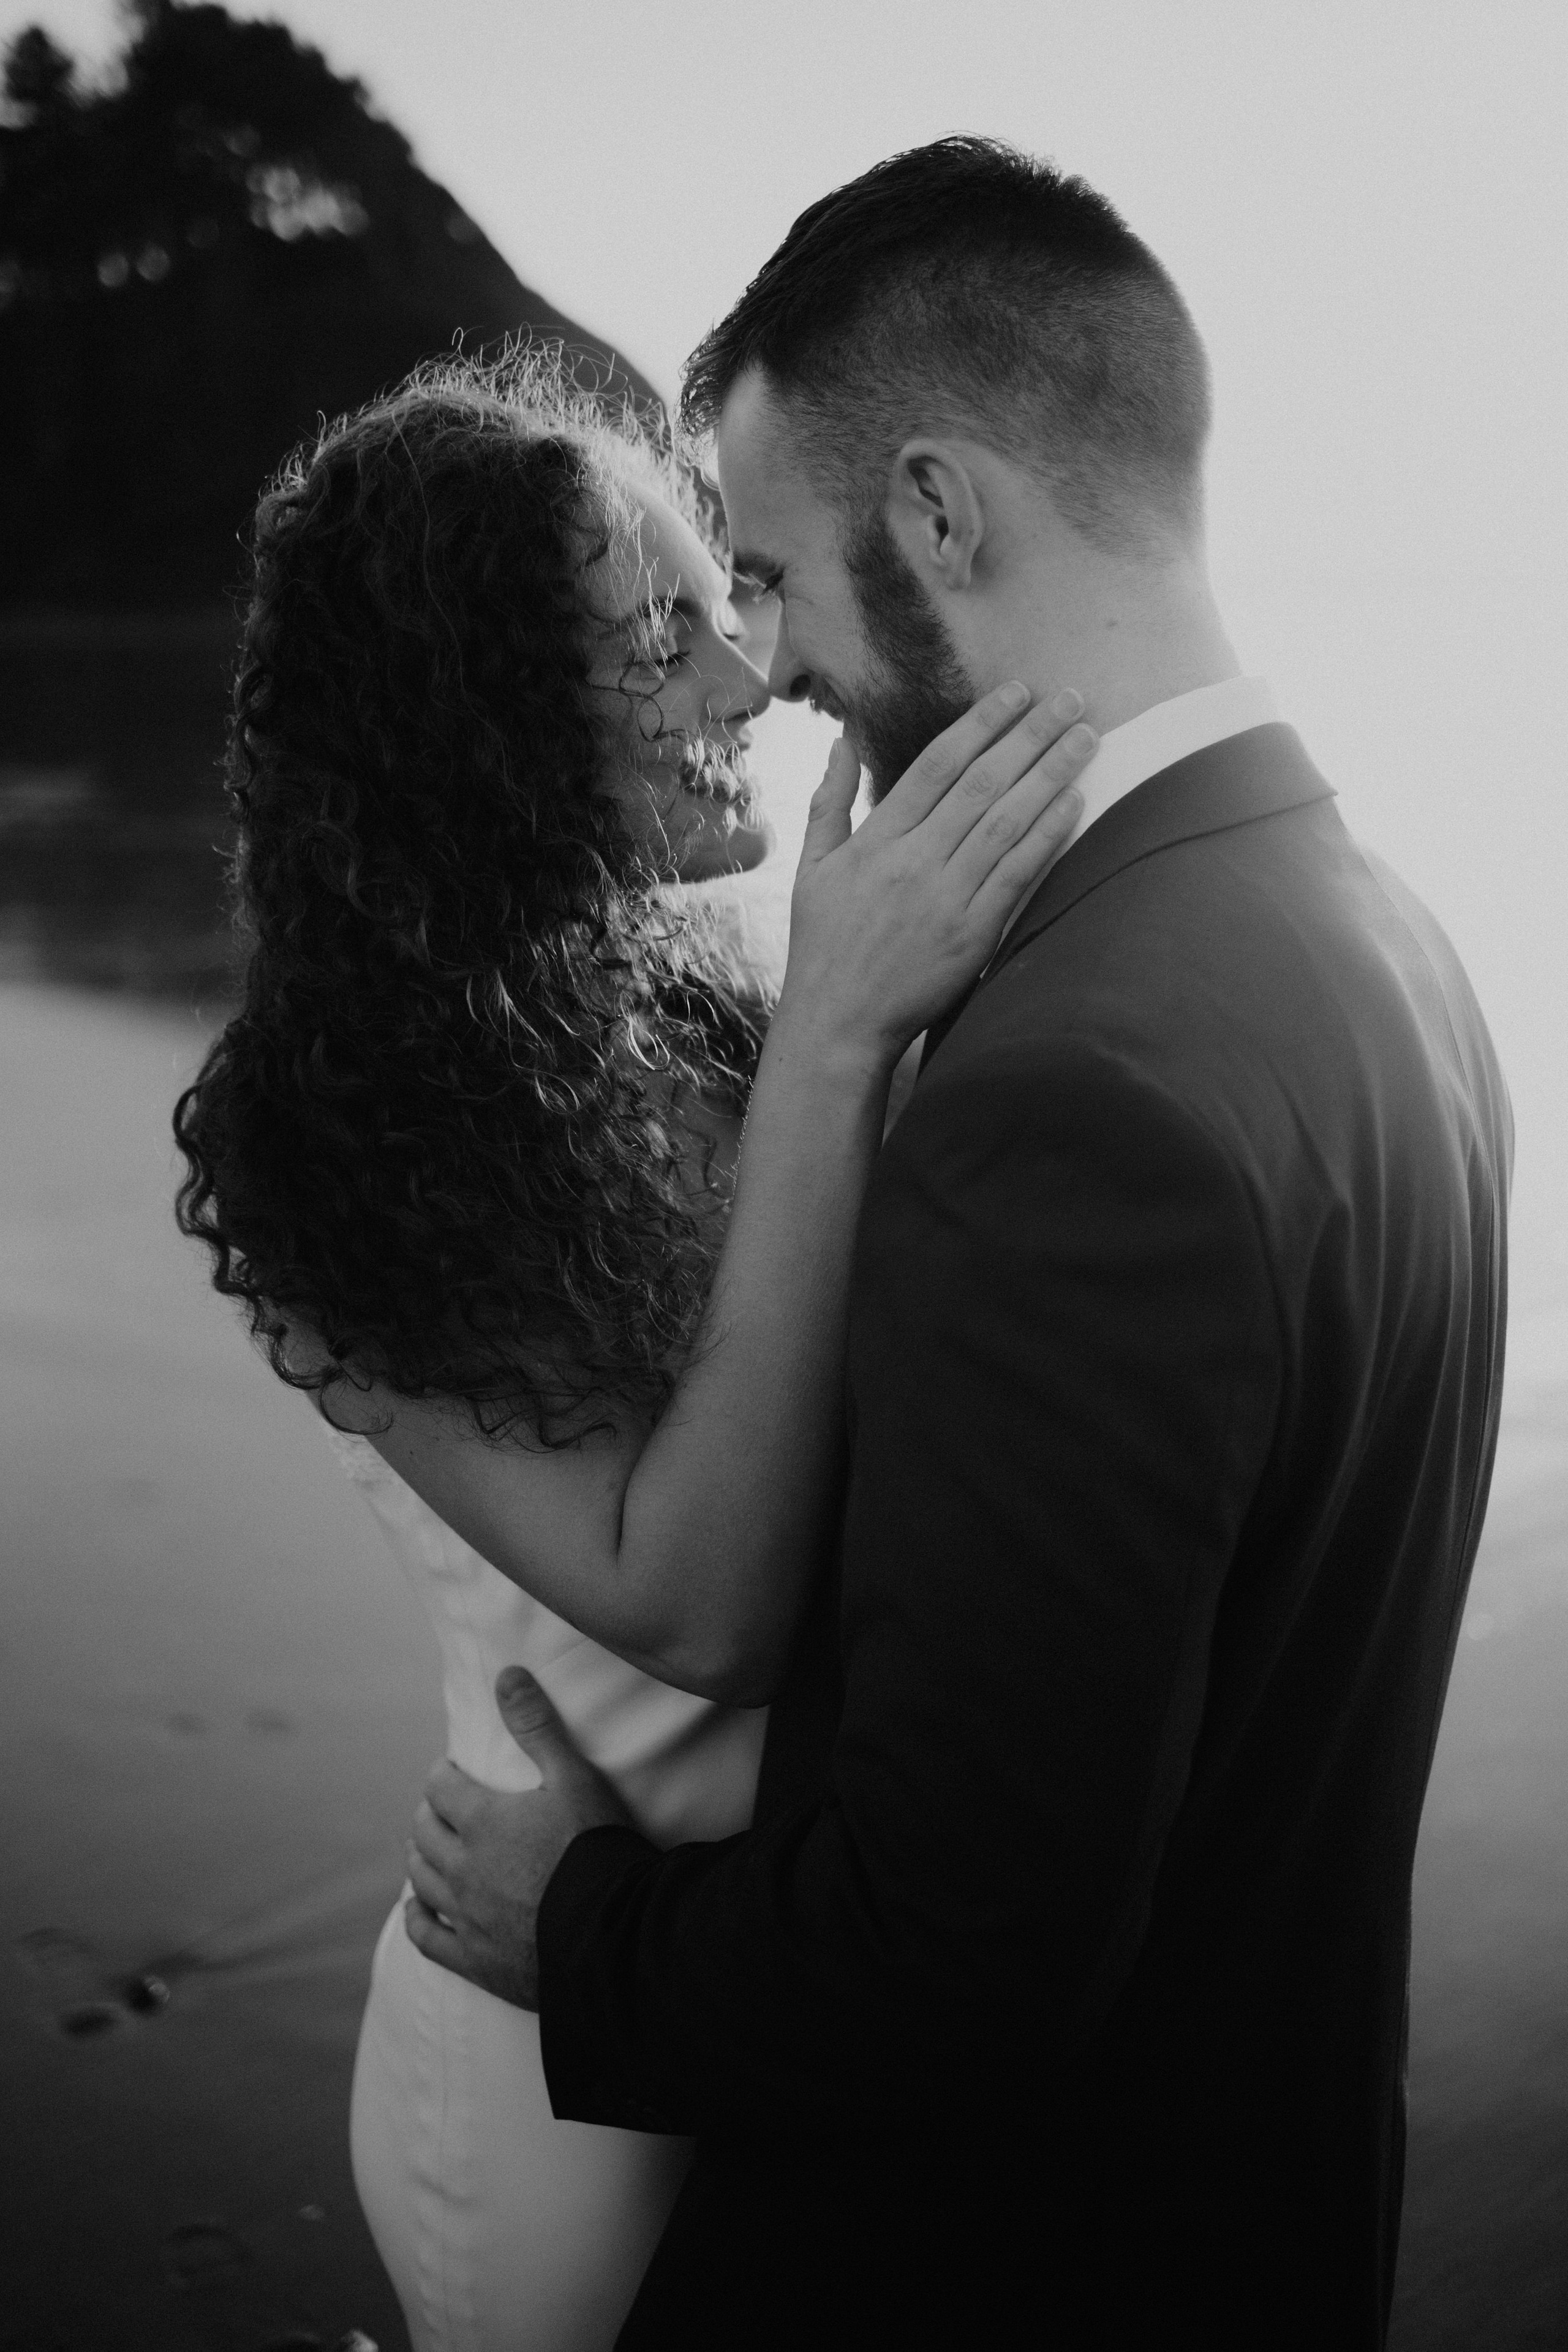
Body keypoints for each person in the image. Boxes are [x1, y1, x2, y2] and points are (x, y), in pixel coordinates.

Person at [405, 141, 1513, 2349]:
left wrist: (580, 1927)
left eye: (776, 574)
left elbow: (958, 1952)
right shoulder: (1389, 934)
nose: (778, 665)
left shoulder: (1071, 1097)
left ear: (939, 513)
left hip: (1009, 2262)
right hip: (1267, 2203)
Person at [172, 350, 1095, 2351]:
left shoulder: (683, 1006)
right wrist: (848, 1026)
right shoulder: (321, 1126)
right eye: (660, 636)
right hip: (546, 2054)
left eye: (726, 607)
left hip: (771, 1969)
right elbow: (703, 1608)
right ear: (479, 717)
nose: (745, 681)